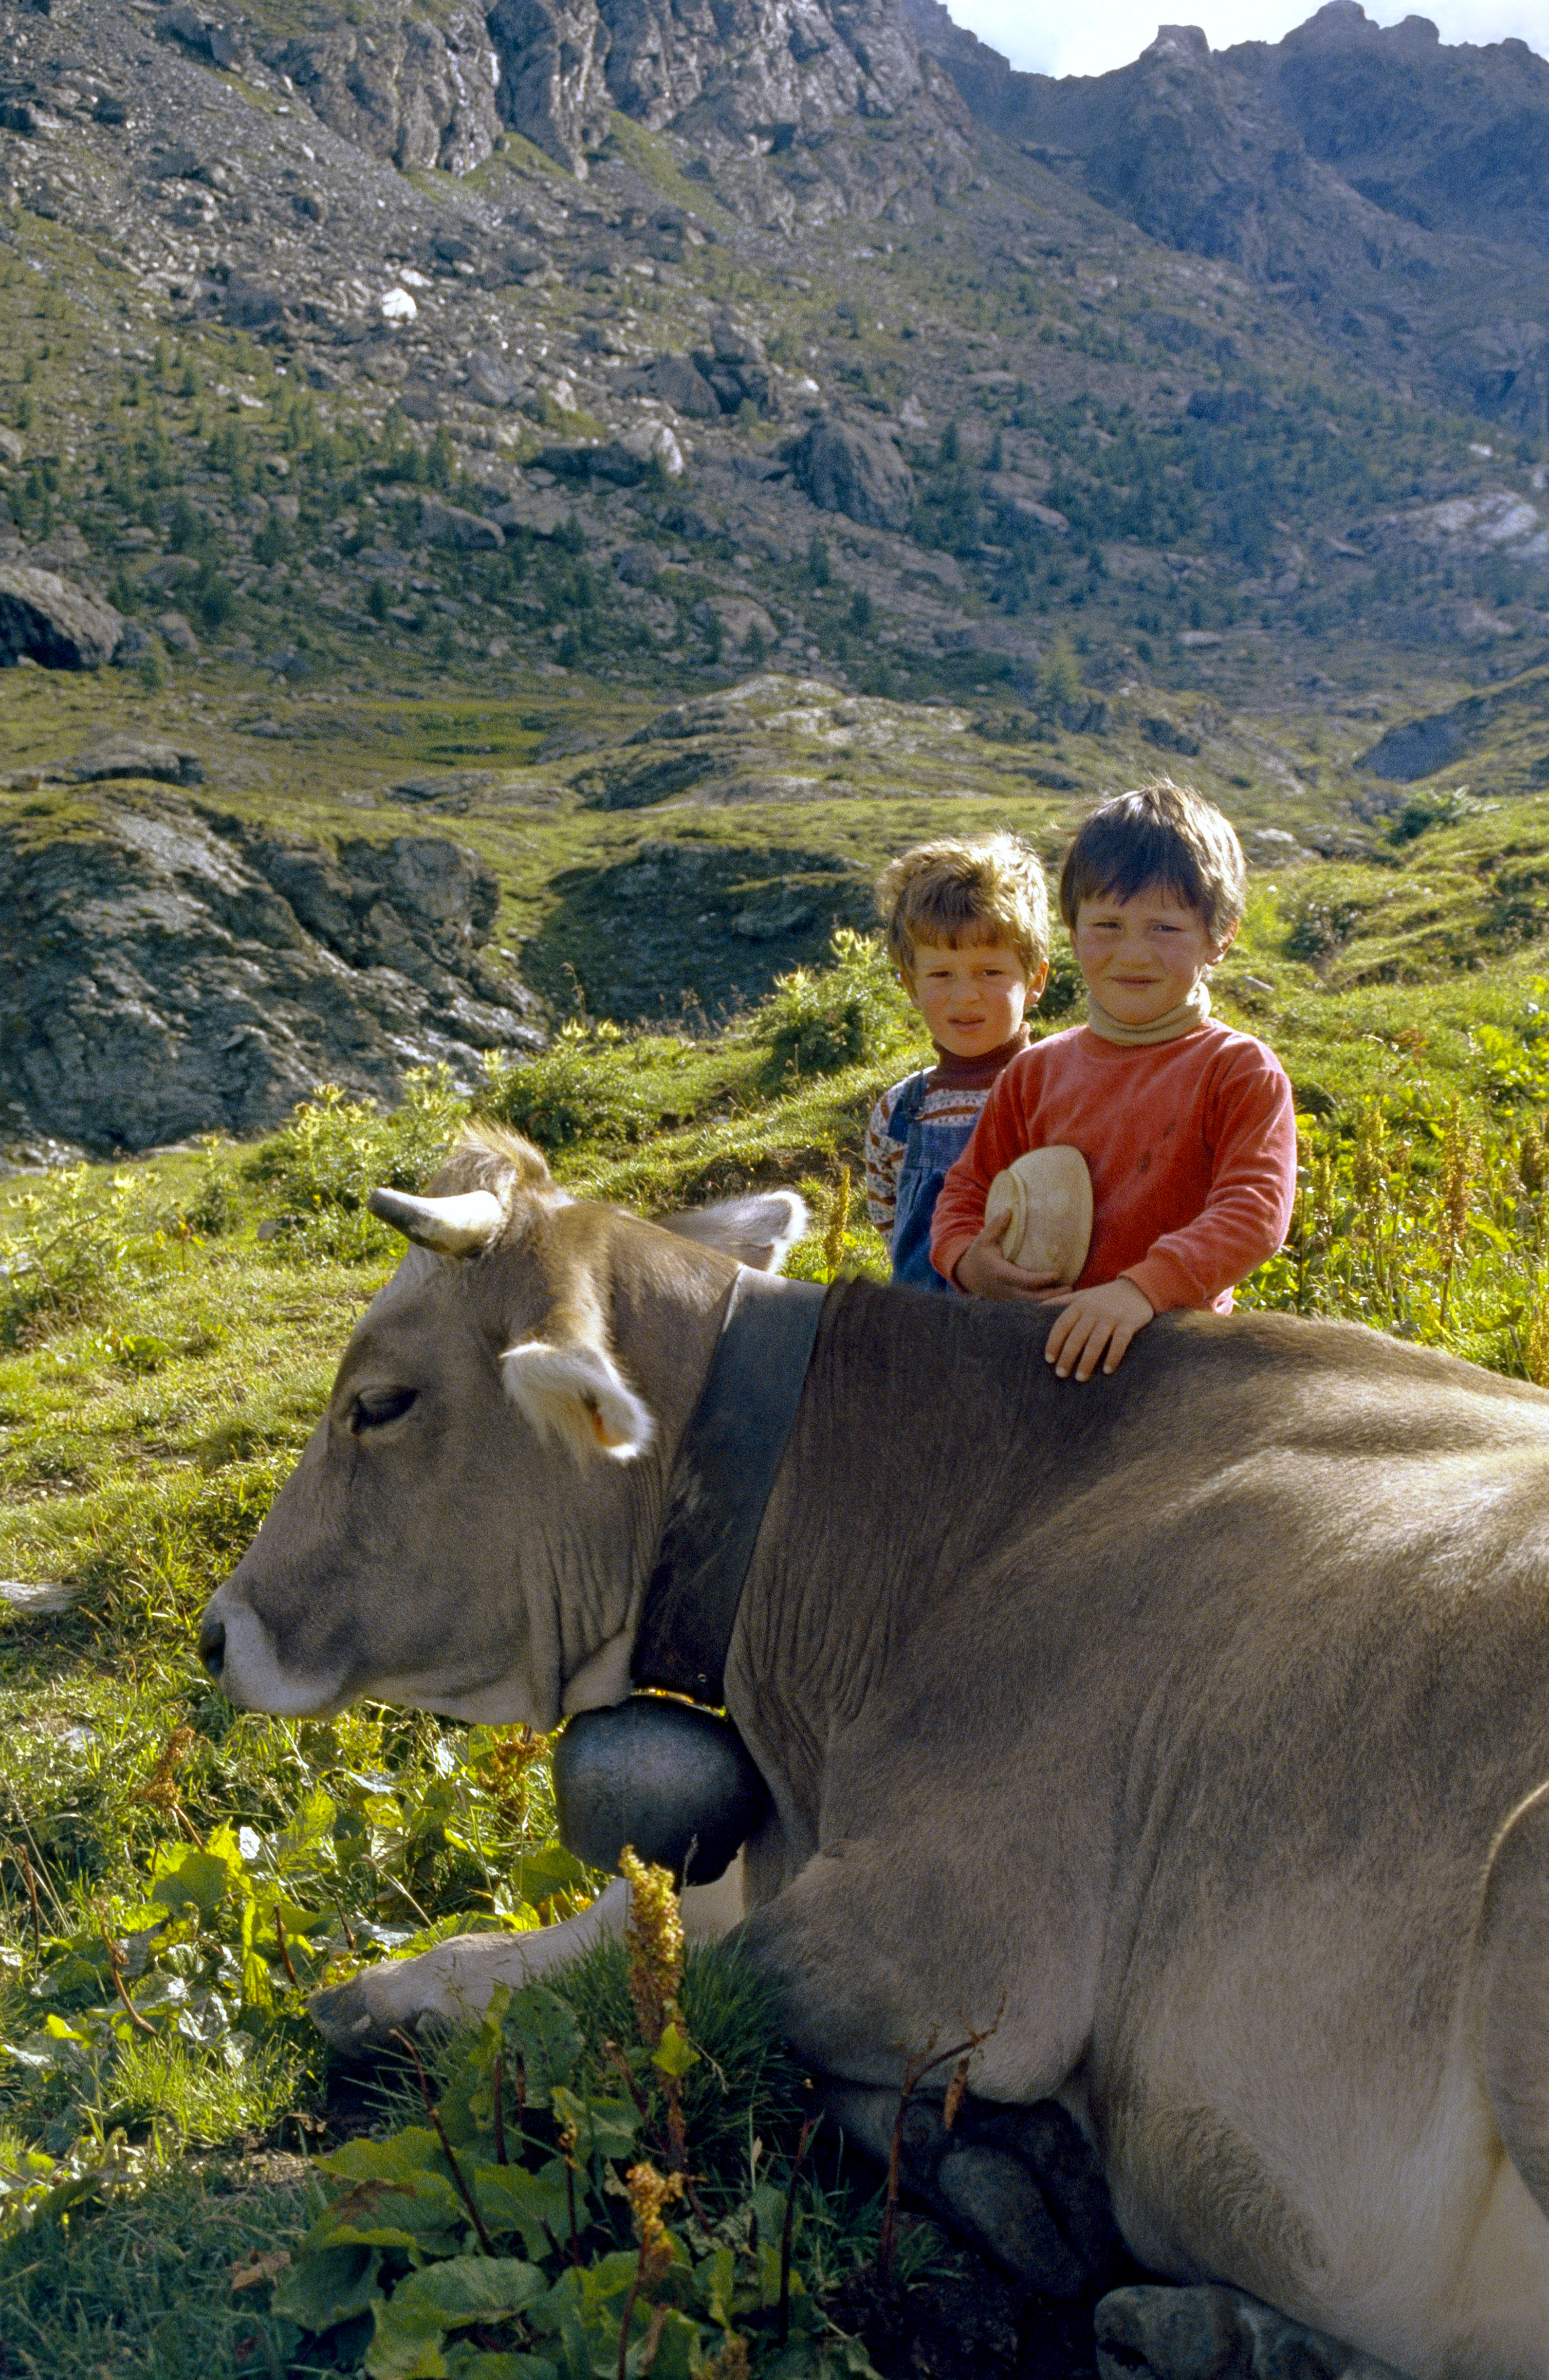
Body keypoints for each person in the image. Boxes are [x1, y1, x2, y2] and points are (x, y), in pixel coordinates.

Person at [930, 780, 1297, 1381]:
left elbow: (1253, 1211)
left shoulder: (1238, 1070)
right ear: (1071, 933)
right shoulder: (1034, 1072)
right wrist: (970, 1262)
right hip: (1036, 1348)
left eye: (1163, 928)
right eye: (1107, 924)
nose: (1132, 953)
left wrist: (1138, 1292)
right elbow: (965, 1191)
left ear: (1219, 937)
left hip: (1173, 1359)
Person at [866, 834, 1050, 1291]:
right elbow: (890, 1223)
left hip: (1035, 1330)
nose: (965, 996)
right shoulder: (900, 1111)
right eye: (941, 974)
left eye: (990, 972)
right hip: (926, 1339)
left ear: (1034, 980)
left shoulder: (1060, 1087)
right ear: (910, 985)